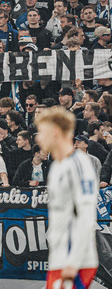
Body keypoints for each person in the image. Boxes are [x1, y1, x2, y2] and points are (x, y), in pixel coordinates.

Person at [36, 107, 98, 289]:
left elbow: (86, 214)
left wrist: (73, 261)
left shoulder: (79, 164)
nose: (38, 138)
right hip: (60, 257)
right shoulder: (57, 166)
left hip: (75, 260)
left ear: (55, 132)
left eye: (42, 132)